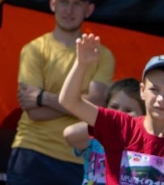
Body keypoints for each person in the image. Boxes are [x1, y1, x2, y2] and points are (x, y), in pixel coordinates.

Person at [6, 0, 115, 185]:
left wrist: (43, 97)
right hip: (31, 150)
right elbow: (34, 111)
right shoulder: (34, 50)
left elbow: (97, 106)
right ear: (53, 3)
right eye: (64, 2)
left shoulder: (102, 55)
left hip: (78, 158)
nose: (69, 10)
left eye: (77, 4)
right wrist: (79, 104)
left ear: (89, 10)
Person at [60, 40, 164, 185]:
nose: (161, 99)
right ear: (142, 91)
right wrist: (81, 64)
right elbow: (69, 101)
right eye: (154, 89)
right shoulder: (120, 125)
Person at [63, 78, 144, 185]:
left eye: (128, 110)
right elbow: (70, 134)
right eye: (114, 107)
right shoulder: (97, 137)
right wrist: (104, 122)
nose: (119, 114)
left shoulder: (144, 143)